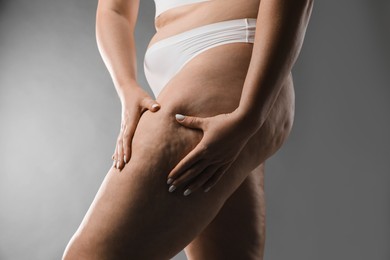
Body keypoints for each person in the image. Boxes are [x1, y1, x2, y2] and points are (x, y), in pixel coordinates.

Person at [62, 0, 313, 259]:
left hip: (232, 52)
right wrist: (126, 86)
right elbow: (114, 9)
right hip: (193, 76)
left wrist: (250, 115)